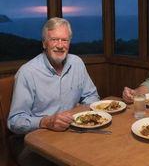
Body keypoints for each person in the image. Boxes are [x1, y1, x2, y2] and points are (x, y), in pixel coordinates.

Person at [8, 17, 100, 165]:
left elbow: (92, 96)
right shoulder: (27, 72)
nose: (60, 45)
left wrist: (81, 112)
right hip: (35, 141)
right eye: (54, 40)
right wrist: (46, 122)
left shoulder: (77, 63)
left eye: (64, 40)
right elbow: (15, 121)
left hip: (72, 133)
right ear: (44, 43)